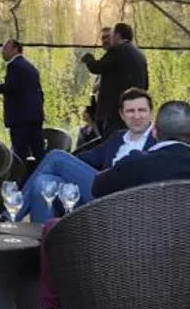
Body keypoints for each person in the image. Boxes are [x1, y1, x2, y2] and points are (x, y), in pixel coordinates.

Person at [35, 99, 190, 309]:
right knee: (47, 182)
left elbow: (98, 188)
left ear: (155, 131)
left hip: (121, 257)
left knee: (53, 227)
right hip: (178, 261)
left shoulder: (135, 164)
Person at [16, 88, 156, 223]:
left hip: (128, 201)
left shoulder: (160, 138)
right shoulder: (118, 138)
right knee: (44, 182)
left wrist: (60, 162)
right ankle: (42, 241)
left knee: (55, 157)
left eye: (142, 110)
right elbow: (85, 158)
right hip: (99, 196)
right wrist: (65, 167)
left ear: (151, 112)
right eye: (130, 111)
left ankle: (9, 216)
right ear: (122, 114)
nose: (136, 116)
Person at [80, 22, 149, 137]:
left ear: (117, 35)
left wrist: (88, 58)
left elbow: (97, 67)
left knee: (113, 142)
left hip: (115, 112)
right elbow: (146, 83)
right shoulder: (139, 54)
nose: (108, 40)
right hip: (134, 109)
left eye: (110, 36)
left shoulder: (118, 51)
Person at [0, 38, 46, 166]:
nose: (3, 52)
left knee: (20, 155)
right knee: (39, 153)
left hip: (20, 119)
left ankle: (20, 183)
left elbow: (12, 87)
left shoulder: (14, 66)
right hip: (35, 117)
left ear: (15, 49)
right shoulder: (31, 67)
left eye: (5, 49)